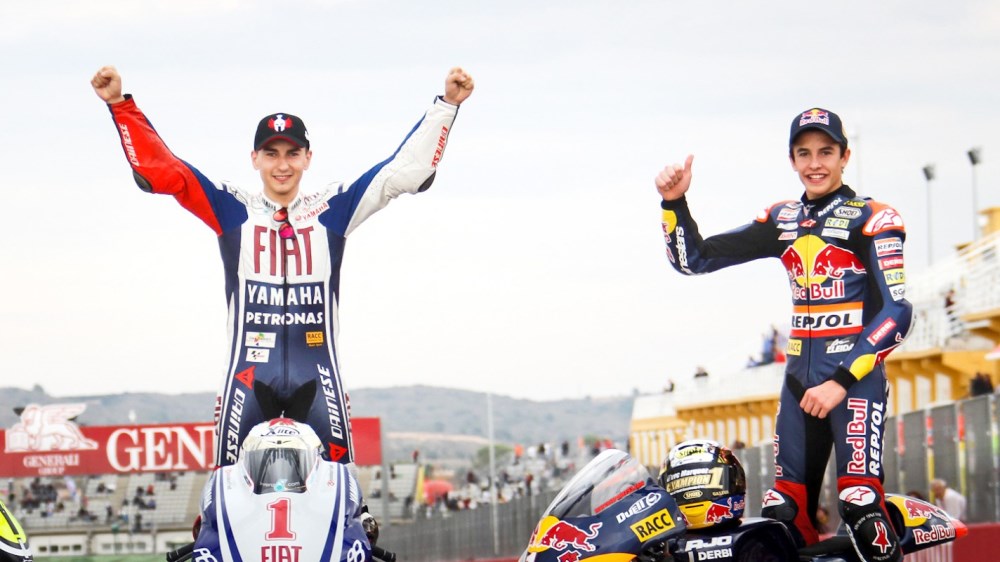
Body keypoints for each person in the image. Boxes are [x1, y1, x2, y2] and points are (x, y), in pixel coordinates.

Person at [92, 65, 474, 467]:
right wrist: (119, 104)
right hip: (247, 379)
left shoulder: (334, 208)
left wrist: (447, 105)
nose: (282, 165)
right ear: (254, 158)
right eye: (271, 154)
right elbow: (166, 172)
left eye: (292, 153)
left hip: (319, 376)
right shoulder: (231, 208)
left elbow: (402, 172)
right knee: (224, 490)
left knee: (343, 491)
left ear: (308, 158)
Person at [655, 108, 912, 562]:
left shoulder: (873, 218)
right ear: (792, 160)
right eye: (804, 153)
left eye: (826, 152)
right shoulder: (782, 218)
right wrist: (674, 204)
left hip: (853, 385)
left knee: (861, 507)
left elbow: (898, 312)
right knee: (783, 515)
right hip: (797, 385)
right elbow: (694, 260)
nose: (815, 163)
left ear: (845, 156)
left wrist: (840, 382)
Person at [194, 419, 376, 560]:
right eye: (270, 459)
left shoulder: (334, 478)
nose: (279, 468)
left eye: (289, 459)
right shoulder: (337, 475)